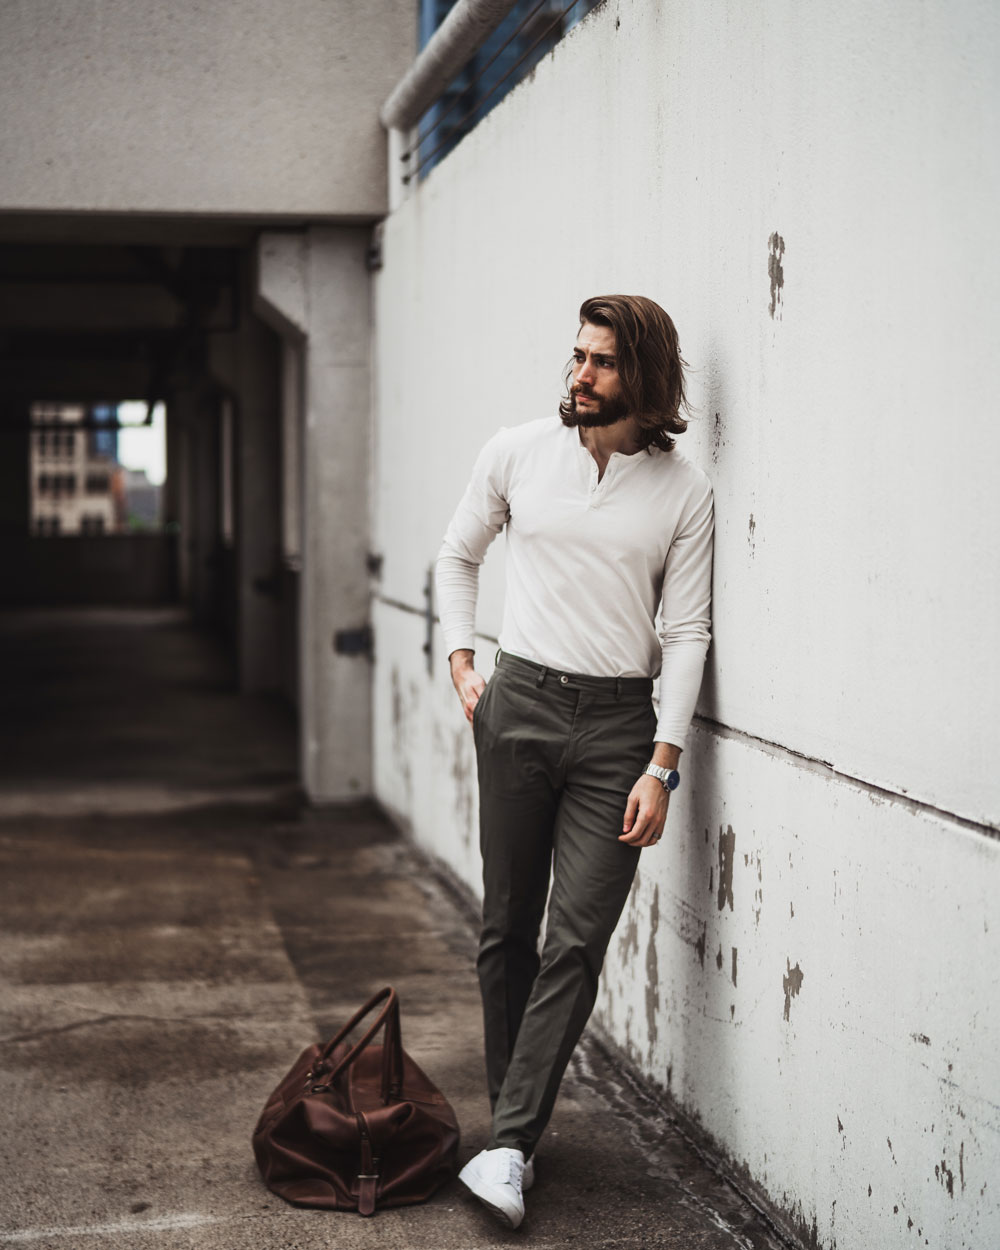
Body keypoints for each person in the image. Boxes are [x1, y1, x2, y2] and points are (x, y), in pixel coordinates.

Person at [435, 294, 714, 1229]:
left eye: (600, 363)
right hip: (516, 706)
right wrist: (462, 658)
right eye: (577, 356)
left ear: (644, 379)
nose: (579, 375)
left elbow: (685, 632)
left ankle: (507, 1145)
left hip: (616, 733)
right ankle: (516, 1138)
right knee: (506, 926)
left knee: (577, 939)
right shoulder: (517, 451)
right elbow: (457, 554)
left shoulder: (684, 492)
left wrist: (662, 764)